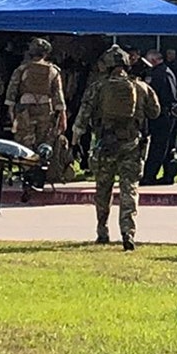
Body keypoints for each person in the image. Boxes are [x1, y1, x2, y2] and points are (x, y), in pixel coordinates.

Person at [72, 45, 160, 250]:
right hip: (132, 145)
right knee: (129, 189)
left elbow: (83, 116)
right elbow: (155, 112)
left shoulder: (97, 87)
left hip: (105, 145)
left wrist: (75, 140)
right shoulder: (140, 87)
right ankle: (128, 233)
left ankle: (102, 230)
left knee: (103, 189)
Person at [7, 38, 68, 202]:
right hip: (45, 111)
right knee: (43, 144)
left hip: (24, 111)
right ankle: (39, 178)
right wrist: (62, 115)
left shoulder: (22, 70)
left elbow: (12, 92)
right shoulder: (53, 71)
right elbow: (58, 94)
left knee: (25, 144)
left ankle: (27, 178)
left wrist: (11, 112)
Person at [141, 49, 177, 185]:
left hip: (162, 115)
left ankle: (150, 176)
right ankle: (167, 175)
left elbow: (158, 95)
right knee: (167, 145)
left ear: (153, 60)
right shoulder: (166, 71)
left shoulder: (159, 74)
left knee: (158, 146)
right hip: (168, 114)